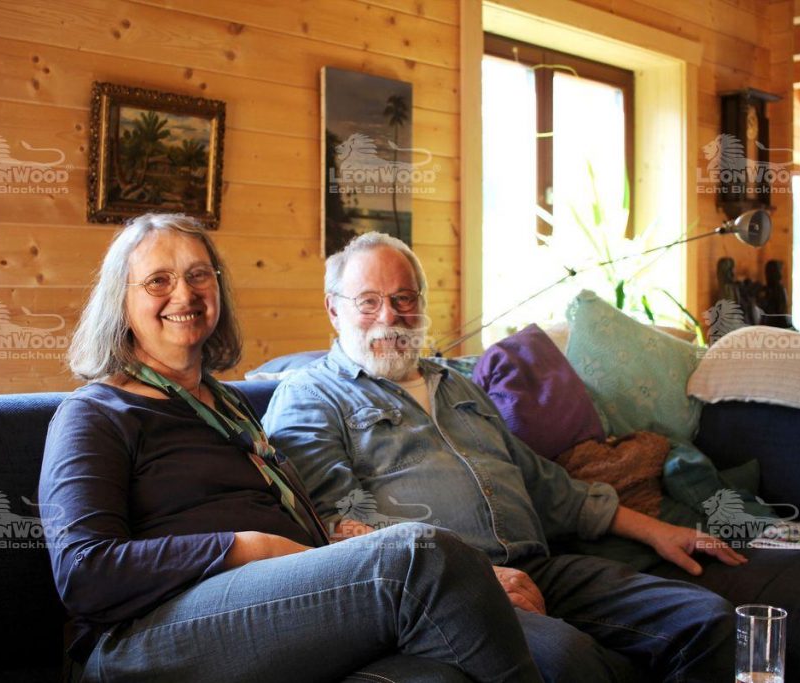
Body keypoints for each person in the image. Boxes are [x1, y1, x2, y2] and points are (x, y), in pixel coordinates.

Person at [38, 214, 544, 683]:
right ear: (119, 301)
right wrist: (246, 547)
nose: (184, 294)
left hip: (273, 610)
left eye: (198, 275)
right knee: (422, 554)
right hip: (145, 636)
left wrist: (463, 572)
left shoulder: (228, 404)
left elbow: (296, 524)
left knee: (438, 668)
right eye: (158, 281)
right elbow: (85, 573)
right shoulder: (95, 413)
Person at [264, 232, 748, 683]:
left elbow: (545, 484)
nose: (389, 317)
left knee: (711, 621)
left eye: (403, 299)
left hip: (539, 567)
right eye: (368, 302)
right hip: (446, 593)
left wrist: (660, 531)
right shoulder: (309, 397)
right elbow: (334, 523)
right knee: (567, 661)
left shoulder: (456, 385)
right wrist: (470, 576)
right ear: (334, 309)